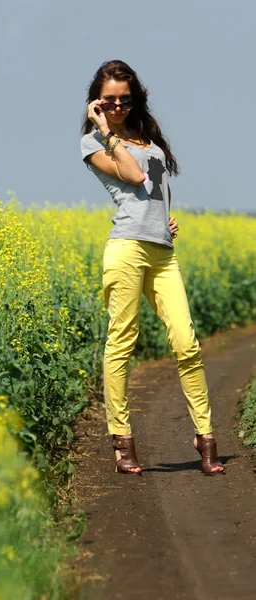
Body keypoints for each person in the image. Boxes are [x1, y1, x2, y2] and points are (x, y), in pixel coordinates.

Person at [80, 60, 224, 476]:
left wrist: (165, 219)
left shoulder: (147, 137)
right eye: (110, 100)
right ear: (97, 102)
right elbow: (133, 174)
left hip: (162, 252)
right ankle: (121, 441)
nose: (119, 106)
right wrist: (107, 131)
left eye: (125, 99)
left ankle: (205, 435)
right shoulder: (93, 143)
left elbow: (159, 187)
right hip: (126, 249)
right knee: (121, 345)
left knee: (186, 343)